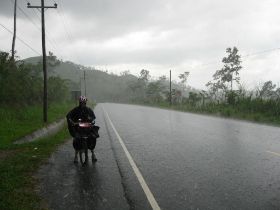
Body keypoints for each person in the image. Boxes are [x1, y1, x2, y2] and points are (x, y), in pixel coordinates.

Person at [66, 96, 98, 162]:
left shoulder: (89, 110)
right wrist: (71, 121)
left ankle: (93, 154)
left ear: (85, 103)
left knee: (92, 138)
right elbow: (68, 115)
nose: (82, 104)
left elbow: (93, 117)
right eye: (81, 103)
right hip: (79, 128)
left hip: (87, 128)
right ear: (79, 103)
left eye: (84, 103)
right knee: (76, 139)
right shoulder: (76, 110)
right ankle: (76, 156)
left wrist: (91, 119)